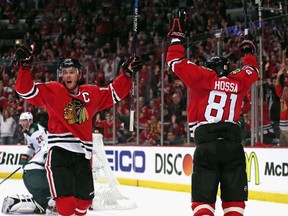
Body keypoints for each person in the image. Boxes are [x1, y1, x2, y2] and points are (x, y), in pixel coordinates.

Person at [14, 43, 142, 215]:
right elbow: (25, 90)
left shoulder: (91, 94)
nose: (67, 75)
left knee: (85, 202)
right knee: (65, 206)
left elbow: (114, 93)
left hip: (83, 155)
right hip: (59, 152)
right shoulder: (53, 90)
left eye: (71, 72)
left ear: (79, 74)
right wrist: (24, 67)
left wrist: (127, 74)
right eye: (65, 72)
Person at [166, 10, 259, 216]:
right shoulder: (238, 81)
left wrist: (177, 36)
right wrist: (247, 50)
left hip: (207, 147)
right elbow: (253, 70)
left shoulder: (204, 77)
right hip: (233, 147)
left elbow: (175, 61)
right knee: (234, 206)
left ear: (212, 68)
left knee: (203, 206)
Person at [1, 111, 56, 214]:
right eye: (21, 121)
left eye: (25, 120)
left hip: (43, 158)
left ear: (30, 120)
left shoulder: (34, 130)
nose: (22, 123)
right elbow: (32, 147)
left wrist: (34, 157)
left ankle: (47, 200)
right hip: (41, 159)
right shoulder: (27, 132)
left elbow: (44, 145)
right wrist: (26, 156)